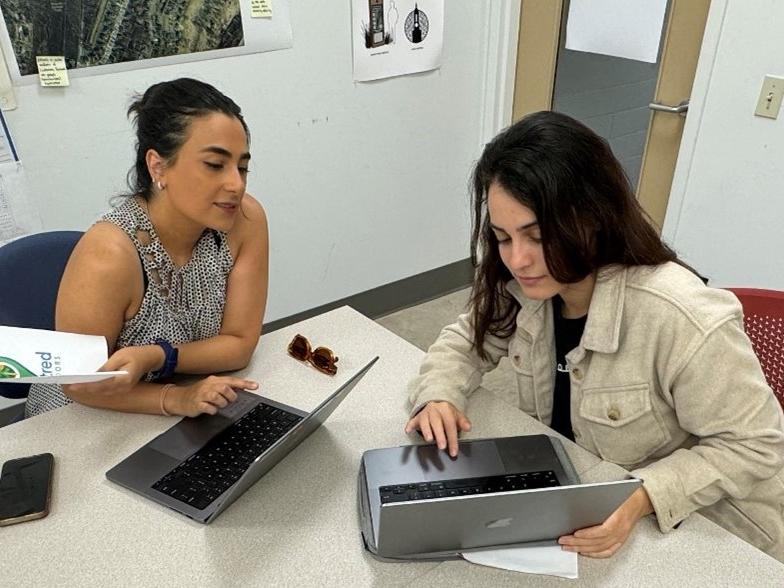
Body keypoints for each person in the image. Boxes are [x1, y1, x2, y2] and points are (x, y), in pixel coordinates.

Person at [404, 111, 784, 561]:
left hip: (711, 529)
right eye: (502, 237)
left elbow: (755, 444)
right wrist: (439, 395)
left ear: (592, 216)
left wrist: (643, 496)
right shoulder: (528, 288)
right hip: (587, 497)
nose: (518, 259)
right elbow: (465, 339)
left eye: (537, 235)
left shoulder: (681, 315)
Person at [26, 78, 267, 419]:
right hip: (81, 416)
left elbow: (239, 344)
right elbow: (78, 385)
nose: (236, 184)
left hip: (191, 398)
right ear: (158, 166)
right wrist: (175, 398)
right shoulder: (109, 253)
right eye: (215, 165)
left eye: (242, 167)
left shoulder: (245, 219)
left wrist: (159, 356)